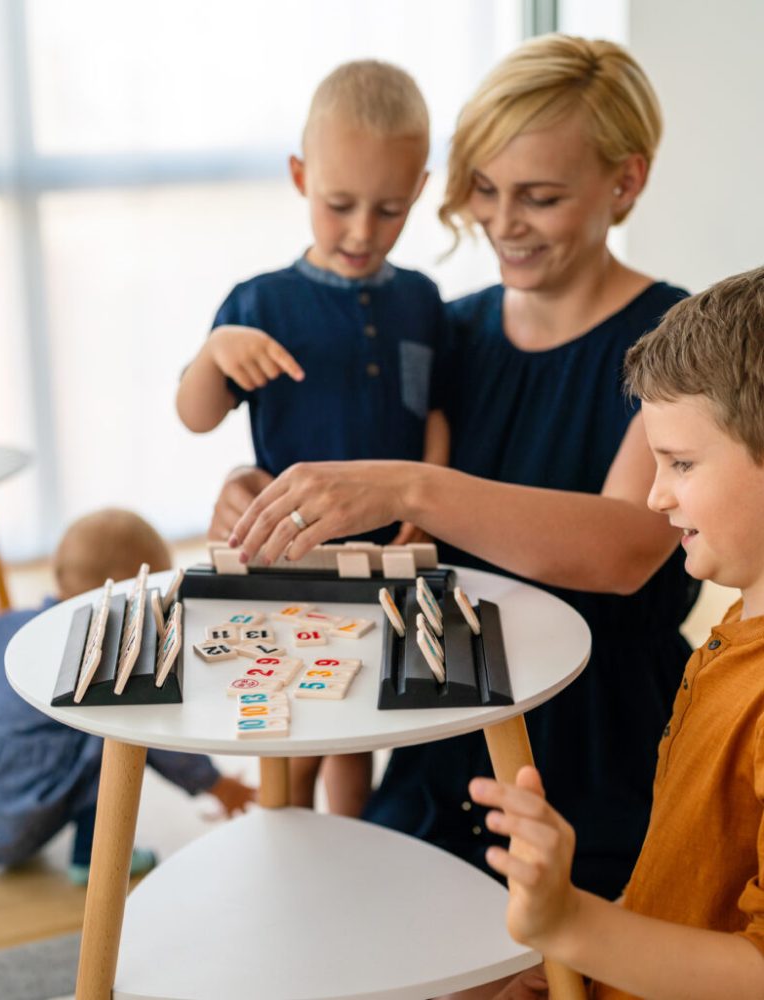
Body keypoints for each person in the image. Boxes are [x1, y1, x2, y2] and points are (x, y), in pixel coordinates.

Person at [221, 34, 697, 900]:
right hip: (441, 728)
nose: (501, 221)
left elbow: (624, 551)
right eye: (482, 188)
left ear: (625, 182)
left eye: (539, 197)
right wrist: (261, 492)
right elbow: (343, 463)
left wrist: (412, 486)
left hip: (597, 757)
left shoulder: (671, 342)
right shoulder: (449, 329)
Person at [468, 267, 764, 1000]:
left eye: (682, 463)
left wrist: (572, 924)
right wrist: (587, 959)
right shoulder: (739, 624)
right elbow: (686, 884)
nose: (656, 494)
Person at [176, 59, 449, 817]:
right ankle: (281, 844)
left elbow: (436, 414)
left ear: (421, 190)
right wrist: (212, 353)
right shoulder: (260, 301)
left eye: (390, 209)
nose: (363, 230)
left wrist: (431, 505)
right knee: (294, 722)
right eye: (339, 204)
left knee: (358, 720)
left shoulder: (423, 302)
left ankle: (348, 847)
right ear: (300, 177)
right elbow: (197, 414)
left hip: (385, 551)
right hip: (284, 550)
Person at [0, 508, 257, 883]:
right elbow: (162, 745)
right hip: (16, 820)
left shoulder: (5, 628)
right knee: (117, 731)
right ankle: (92, 857)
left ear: (56, 576)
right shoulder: (108, 665)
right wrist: (219, 786)